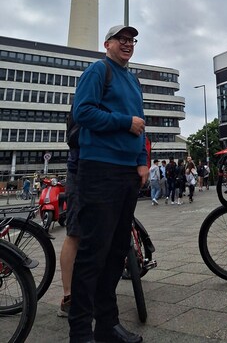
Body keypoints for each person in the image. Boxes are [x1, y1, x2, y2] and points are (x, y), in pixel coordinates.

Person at [68, 24, 148, 343]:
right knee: (93, 252)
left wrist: (142, 160)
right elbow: (83, 112)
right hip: (99, 170)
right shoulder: (98, 71)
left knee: (117, 252)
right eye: (122, 40)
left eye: (132, 41)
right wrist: (123, 122)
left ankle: (107, 324)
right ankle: (79, 332)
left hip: (128, 172)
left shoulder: (133, 78)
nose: (128, 44)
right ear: (108, 43)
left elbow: (141, 122)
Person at [57, 147, 80, 318]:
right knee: (74, 234)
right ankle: (68, 296)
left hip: (103, 167)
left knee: (75, 234)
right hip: (81, 167)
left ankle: (69, 296)